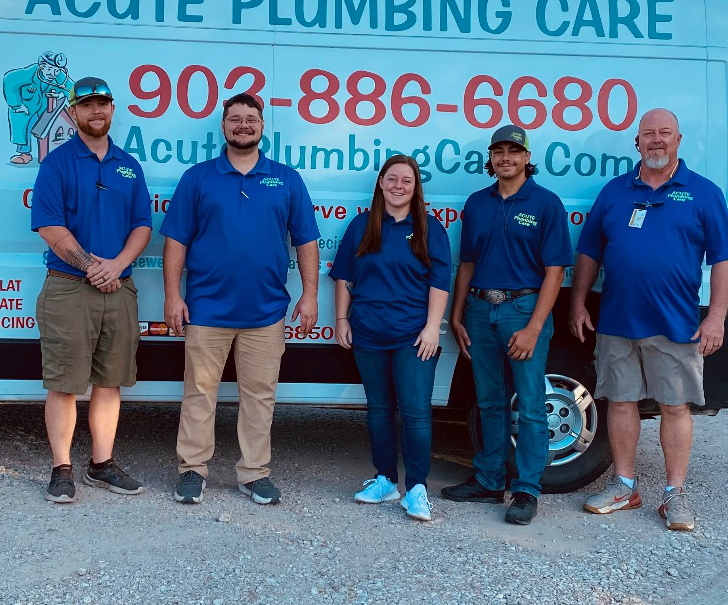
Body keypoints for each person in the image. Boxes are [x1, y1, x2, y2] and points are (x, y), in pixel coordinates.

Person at [569, 108, 728, 531]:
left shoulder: (703, 192)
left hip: (676, 323)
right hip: (617, 321)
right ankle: (625, 486)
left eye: (665, 133)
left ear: (679, 140)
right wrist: (577, 303)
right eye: (649, 134)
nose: (656, 140)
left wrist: (716, 316)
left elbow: (723, 259)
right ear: (637, 143)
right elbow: (590, 251)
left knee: (674, 407)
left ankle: (674, 494)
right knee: (621, 402)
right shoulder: (614, 191)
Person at [161, 93, 320, 506]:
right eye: (236, 119)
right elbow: (176, 240)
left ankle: (253, 474)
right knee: (199, 393)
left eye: (251, 119)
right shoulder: (198, 178)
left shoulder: (286, 179)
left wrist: (310, 294)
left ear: (263, 126)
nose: (243, 125)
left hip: (265, 311)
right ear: (224, 127)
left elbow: (305, 240)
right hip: (206, 308)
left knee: (260, 396)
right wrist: (173, 295)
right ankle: (192, 471)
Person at [441, 124, 573, 525]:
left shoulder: (546, 204)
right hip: (481, 310)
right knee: (489, 401)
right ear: (491, 158)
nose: (505, 158)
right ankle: (488, 479)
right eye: (498, 151)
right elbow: (467, 263)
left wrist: (534, 327)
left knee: (531, 406)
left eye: (513, 151)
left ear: (527, 158)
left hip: (522, 310)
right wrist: (457, 313)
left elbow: (555, 272)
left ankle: (527, 490)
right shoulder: (477, 203)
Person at [30, 76, 152, 503]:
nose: (96, 111)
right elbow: (49, 225)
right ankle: (61, 468)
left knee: (110, 382)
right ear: (73, 113)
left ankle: (101, 465)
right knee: (64, 383)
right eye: (86, 105)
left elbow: (142, 225)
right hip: (69, 287)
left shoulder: (128, 165)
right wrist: (91, 267)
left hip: (119, 286)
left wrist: (116, 265)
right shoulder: (57, 163)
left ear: (112, 109)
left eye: (103, 103)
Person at [329, 155, 451, 522]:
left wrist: (432, 327)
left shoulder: (430, 229)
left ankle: (416, 488)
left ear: (416, 188)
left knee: (415, 413)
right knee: (379, 410)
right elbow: (343, 276)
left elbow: (440, 282)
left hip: (414, 337)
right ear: (381, 183)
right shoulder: (362, 225)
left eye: (407, 181)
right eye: (392, 179)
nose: (399, 186)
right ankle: (385, 480)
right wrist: (340, 319)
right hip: (368, 332)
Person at [4, 51, 72, 164]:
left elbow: (71, 89)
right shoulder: (28, 73)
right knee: (23, 127)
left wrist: (78, 104)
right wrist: (17, 105)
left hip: (44, 108)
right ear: (42, 67)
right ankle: (24, 153)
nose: (53, 74)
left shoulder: (60, 77)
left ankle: (49, 153)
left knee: (48, 128)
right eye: (50, 69)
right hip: (26, 108)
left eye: (56, 70)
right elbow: (9, 80)